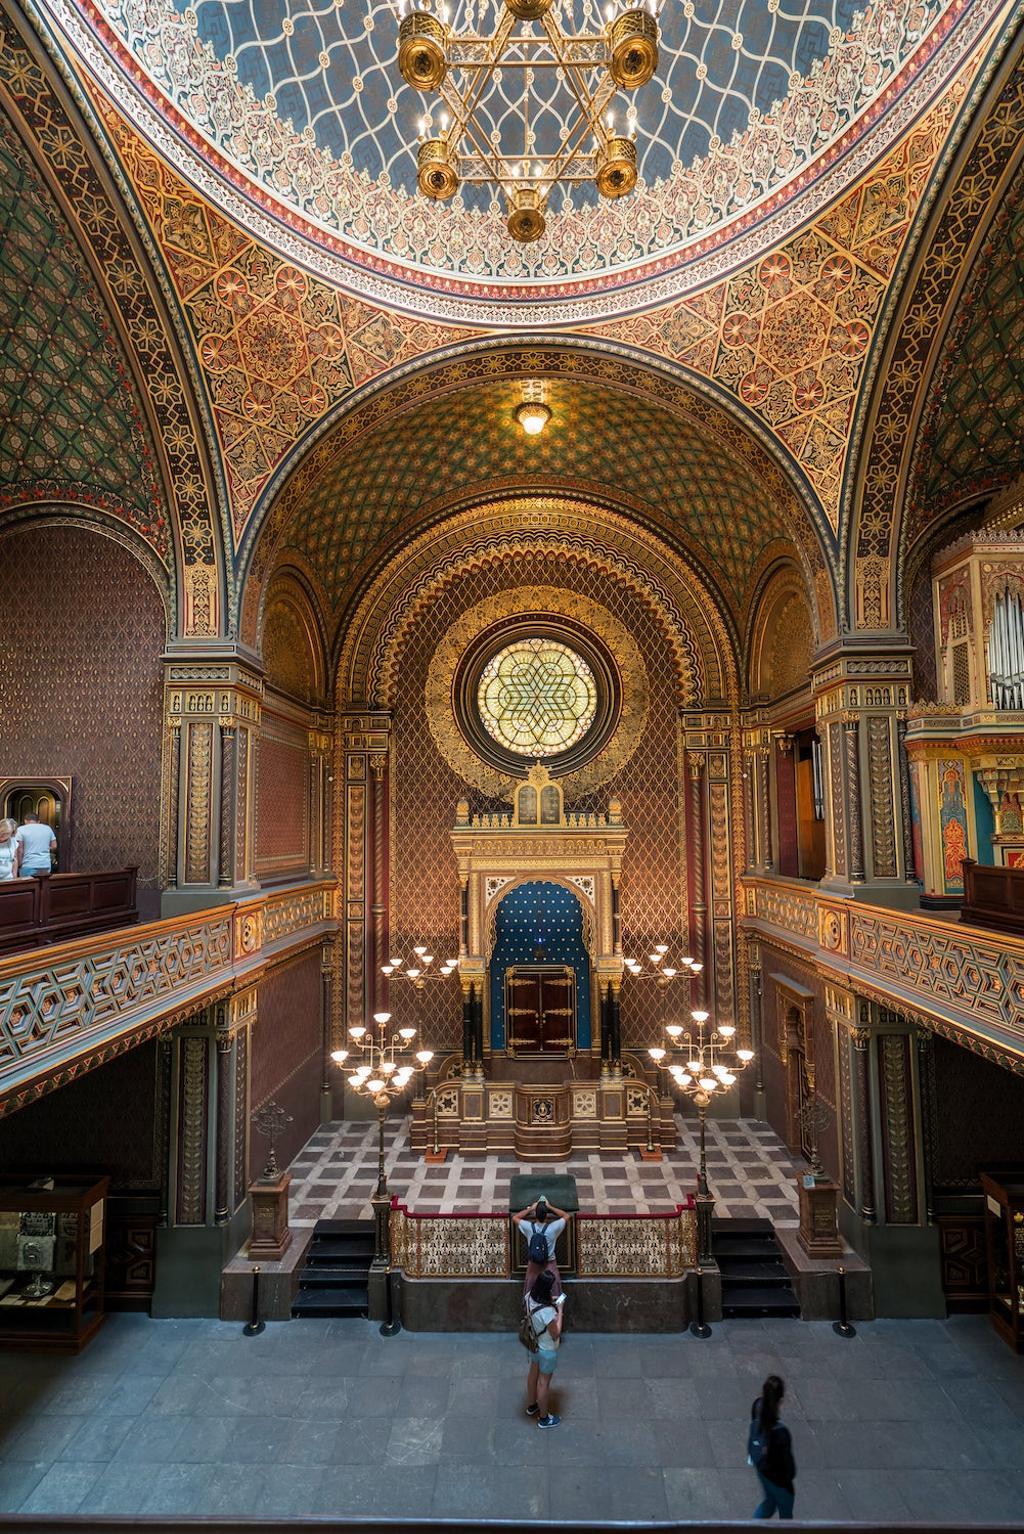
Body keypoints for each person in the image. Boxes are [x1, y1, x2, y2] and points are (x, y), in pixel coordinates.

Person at [748, 1374, 796, 1520]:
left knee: (769, 1504)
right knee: (786, 1515)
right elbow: (790, 1469)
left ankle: (749, 1529)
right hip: (779, 1481)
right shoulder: (781, 1433)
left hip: (761, 1468)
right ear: (781, 1401)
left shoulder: (757, 1405)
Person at [524, 1268, 565, 1428]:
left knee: (533, 1374)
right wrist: (560, 1311)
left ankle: (532, 1405)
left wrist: (553, 1300)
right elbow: (556, 1333)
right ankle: (544, 1419)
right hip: (547, 1349)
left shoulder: (528, 1297)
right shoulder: (548, 1312)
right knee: (544, 1383)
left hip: (534, 1344)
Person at [513, 1195, 569, 1297]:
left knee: (530, 1293)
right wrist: (550, 1206)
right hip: (550, 1265)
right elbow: (566, 1216)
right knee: (554, 1293)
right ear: (546, 1215)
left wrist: (531, 1208)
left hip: (533, 1266)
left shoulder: (529, 1227)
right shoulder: (553, 1228)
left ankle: (530, 1312)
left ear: (535, 1214)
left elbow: (515, 1217)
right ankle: (557, 1312)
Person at [15, 812, 56, 878]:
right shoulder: (48, 828)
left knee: (29, 887)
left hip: (28, 864)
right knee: (44, 886)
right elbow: (54, 846)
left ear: (25, 820)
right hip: (45, 864)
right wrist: (43, 848)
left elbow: (20, 850)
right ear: (38, 821)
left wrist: (19, 864)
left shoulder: (20, 830)